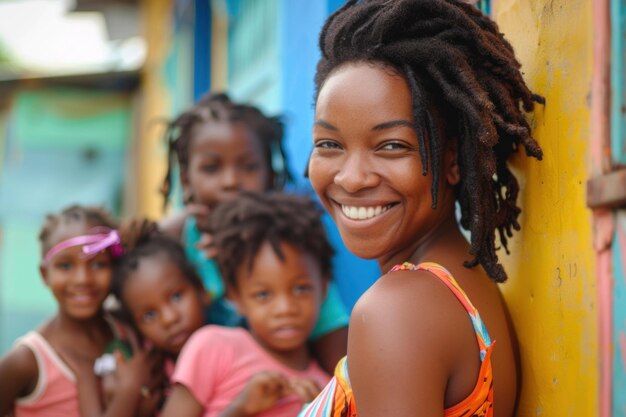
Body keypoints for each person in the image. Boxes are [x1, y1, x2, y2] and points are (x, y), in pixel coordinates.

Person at [300, 1, 544, 416]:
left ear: (452, 160)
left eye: (392, 145)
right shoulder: (455, 283)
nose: (351, 177)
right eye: (330, 144)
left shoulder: (398, 309)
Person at [159, 92, 349, 372]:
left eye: (248, 166)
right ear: (187, 179)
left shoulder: (291, 245)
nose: (231, 181)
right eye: (212, 168)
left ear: (269, 176)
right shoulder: (172, 246)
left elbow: (340, 361)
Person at [160, 192, 333, 417]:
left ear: (324, 288)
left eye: (300, 289)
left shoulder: (328, 390)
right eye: (263, 295)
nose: (285, 309)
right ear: (236, 297)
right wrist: (239, 409)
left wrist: (318, 410)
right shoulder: (214, 347)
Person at [0, 205, 158, 417]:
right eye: (65, 266)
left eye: (98, 265)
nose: (82, 279)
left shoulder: (128, 330)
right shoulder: (27, 361)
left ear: (115, 267)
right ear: (45, 274)